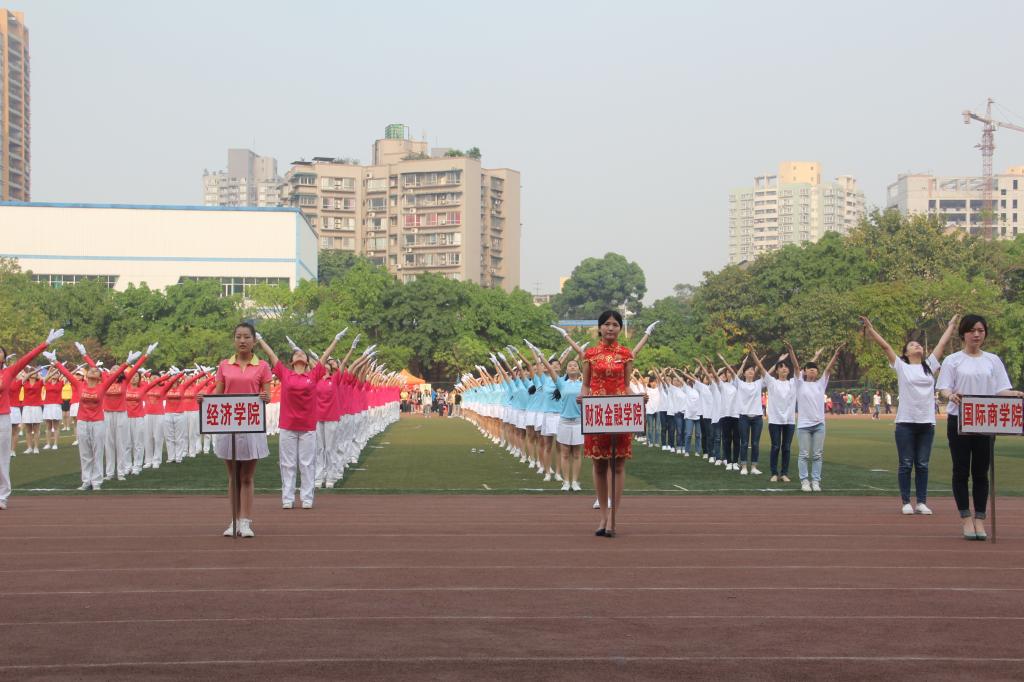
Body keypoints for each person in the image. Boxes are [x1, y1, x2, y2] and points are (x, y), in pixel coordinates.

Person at [936, 314, 1024, 540]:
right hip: (960, 421)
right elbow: (943, 388)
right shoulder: (953, 360)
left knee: (981, 472)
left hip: (985, 421)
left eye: (980, 331)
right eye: (972, 330)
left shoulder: (993, 360)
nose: (976, 335)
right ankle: (966, 518)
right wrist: (951, 395)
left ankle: (980, 519)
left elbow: (1000, 390)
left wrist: (1014, 394)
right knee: (961, 470)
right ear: (963, 334)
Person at [861, 314, 957, 516]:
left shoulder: (929, 366)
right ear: (905, 353)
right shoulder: (902, 366)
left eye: (918, 344)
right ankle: (906, 501)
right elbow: (886, 347)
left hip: (926, 423)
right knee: (905, 463)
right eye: (912, 345)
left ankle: (921, 502)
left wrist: (951, 325)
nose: (917, 346)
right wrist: (870, 329)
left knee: (922, 464)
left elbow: (941, 343)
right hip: (905, 423)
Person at [257, 331, 345, 511]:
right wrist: (259, 339)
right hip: (288, 425)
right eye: (296, 353)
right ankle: (287, 498)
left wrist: (336, 339)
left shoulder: (313, 375)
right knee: (287, 464)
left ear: (306, 361)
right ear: (291, 361)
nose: (299, 354)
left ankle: (307, 497)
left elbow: (325, 355)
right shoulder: (285, 374)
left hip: (307, 427)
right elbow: (271, 354)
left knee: (307, 464)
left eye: (302, 354)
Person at [576, 311, 639, 538]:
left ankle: (613, 516)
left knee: (618, 465)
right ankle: (603, 515)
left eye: (615, 324)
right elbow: (586, 384)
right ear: (600, 328)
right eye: (606, 324)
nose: (610, 328)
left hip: (619, 413)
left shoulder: (626, 354)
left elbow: (627, 385)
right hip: (597, 413)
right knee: (599, 466)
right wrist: (582, 396)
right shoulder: (590, 354)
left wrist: (637, 399)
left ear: (620, 328)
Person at [207, 323, 273, 538]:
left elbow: (268, 396)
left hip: (252, 425)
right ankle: (234, 520)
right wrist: (204, 400)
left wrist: (264, 397)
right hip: (229, 425)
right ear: (234, 340)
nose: (242, 341)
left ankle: (245, 521)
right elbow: (218, 396)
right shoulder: (224, 365)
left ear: (254, 340)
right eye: (238, 337)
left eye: (246, 337)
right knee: (233, 476)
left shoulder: (262, 366)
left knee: (246, 476)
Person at [50, 349, 133, 492]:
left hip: (98, 422)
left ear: (100, 377)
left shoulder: (103, 386)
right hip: (82, 421)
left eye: (96, 370)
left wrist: (126, 363)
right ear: (86, 374)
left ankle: (96, 481)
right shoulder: (80, 385)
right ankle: (86, 481)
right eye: (91, 370)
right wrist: (55, 361)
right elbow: (67, 374)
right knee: (85, 453)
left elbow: (115, 375)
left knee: (97, 452)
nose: (93, 370)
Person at [0, 329, 65, 509]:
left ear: (3, 357)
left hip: (2, 417)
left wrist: (46, 343)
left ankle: (2, 496)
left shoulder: (9, 372)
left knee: (2, 458)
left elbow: (27, 358)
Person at [787, 341, 844, 492]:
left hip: (819, 425)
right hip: (804, 426)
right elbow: (796, 366)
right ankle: (805, 481)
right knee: (804, 454)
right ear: (805, 372)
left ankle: (816, 481)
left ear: (817, 373)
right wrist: (791, 350)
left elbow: (828, 368)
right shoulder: (800, 384)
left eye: (815, 369)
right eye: (809, 368)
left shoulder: (821, 383)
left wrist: (836, 353)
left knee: (818, 455)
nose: (812, 370)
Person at [752, 351, 796, 483]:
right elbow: (761, 367)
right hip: (775, 421)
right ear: (776, 371)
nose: (784, 368)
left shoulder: (793, 382)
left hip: (789, 421)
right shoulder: (772, 382)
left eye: (786, 367)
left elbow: (800, 367)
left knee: (786, 448)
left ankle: (784, 473)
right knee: (775, 446)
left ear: (789, 370)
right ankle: (774, 473)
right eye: (781, 367)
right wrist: (753, 354)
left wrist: (792, 352)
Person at [41, 370, 64, 450]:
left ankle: (55, 444)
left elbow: (66, 375)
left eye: (56, 373)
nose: (55, 374)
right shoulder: (47, 383)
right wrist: (50, 371)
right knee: (48, 426)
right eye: (53, 373)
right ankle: (48, 443)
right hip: (47, 406)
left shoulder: (61, 383)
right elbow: (44, 379)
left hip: (56, 406)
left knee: (56, 426)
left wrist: (59, 370)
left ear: (59, 376)